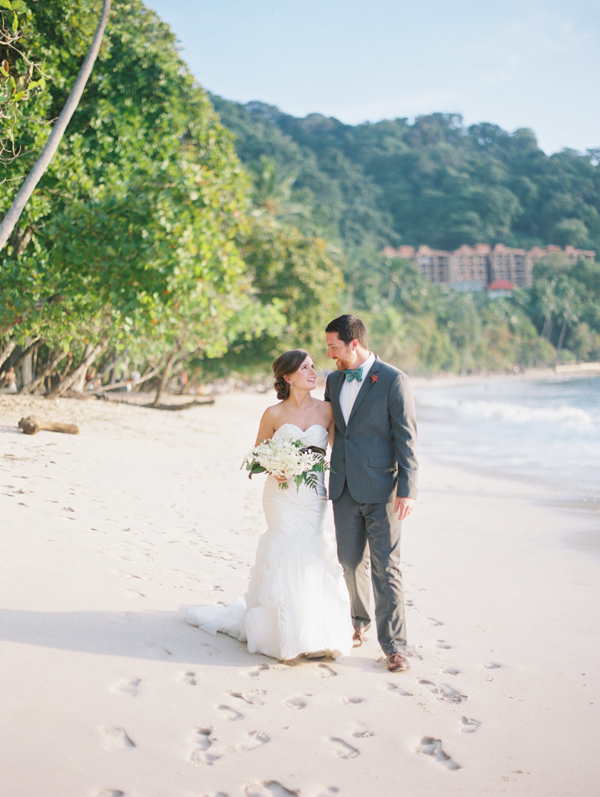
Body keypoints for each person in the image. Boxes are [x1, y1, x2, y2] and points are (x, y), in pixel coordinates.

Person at [187, 349, 353, 660]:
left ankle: (315, 632)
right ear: (288, 377)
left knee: (312, 552)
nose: (313, 372)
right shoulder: (273, 414)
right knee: (286, 551)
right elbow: (256, 458)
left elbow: (341, 452)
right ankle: (283, 635)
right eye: (305, 368)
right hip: (281, 497)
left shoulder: (328, 411)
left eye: (314, 366)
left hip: (313, 496)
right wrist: (273, 466)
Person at [324, 314, 418, 672]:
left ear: (353, 344)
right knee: (349, 562)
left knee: (386, 568)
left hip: (383, 489)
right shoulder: (333, 381)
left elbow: (406, 439)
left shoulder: (394, 380)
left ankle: (394, 645)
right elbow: (334, 431)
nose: (329, 353)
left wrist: (407, 490)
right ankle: (357, 622)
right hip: (344, 487)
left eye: (333, 346)